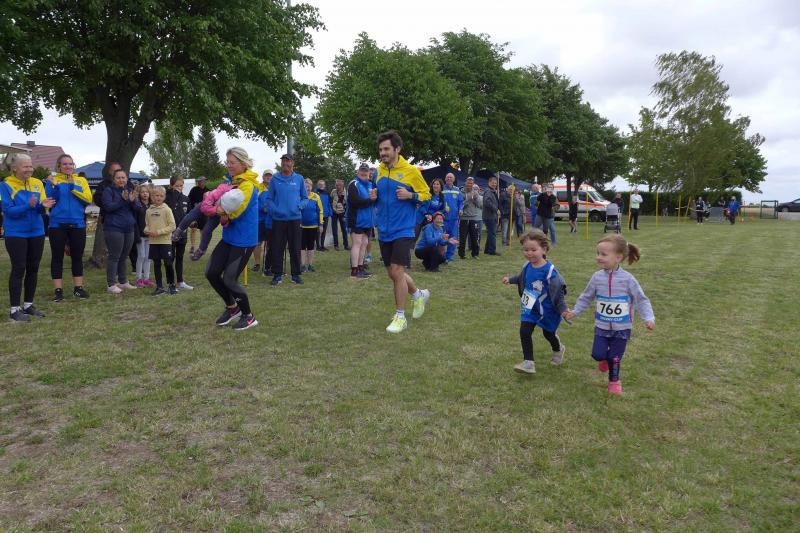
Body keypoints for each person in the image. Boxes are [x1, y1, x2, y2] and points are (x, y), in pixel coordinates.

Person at [563, 234, 656, 395]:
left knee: (615, 357)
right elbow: (586, 297)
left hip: (622, 327)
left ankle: (614, 381)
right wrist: (575, 311)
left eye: (603, 254)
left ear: (618, 257)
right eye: (598, 253)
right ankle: (603, 360)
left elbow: (641, 299)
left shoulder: (628, 279)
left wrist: (649, 318)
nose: (598, 257)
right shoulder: (596, 277)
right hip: (602, 326)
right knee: (597, 354)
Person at [374, 130, 431, 333]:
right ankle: (418, 294)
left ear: (397, 149)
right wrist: (374, 196)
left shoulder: (411, 171)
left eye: (386, 149)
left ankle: (400, 317)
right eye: (381, 149)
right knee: (393, 273)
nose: (383, 153)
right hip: (384, 229)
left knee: (397, 271)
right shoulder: (378, 171)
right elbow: (380, 196)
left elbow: (427, 195)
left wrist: (411, 195)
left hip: (404, 228)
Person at [205, 147, 260, 330]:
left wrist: (215, 208)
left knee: (229, 279)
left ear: (243, 164)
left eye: (232, 162)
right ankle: (232, 308)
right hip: (229, 237)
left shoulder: (248, 185)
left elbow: (235, 212)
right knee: (211, 272)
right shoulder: (231, 181)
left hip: (244, 239)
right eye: (227, 162)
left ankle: (248, 316)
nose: (228, 165)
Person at [502, 230, 568, 374]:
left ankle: (558, 349)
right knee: (524, 331)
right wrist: (511, 280)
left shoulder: (550, 272)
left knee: (548, 334)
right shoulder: (527, 266)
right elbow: (522, 278)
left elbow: (559, 291)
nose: (529, 253)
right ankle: (528, 363)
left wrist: (563, 309)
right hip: (530, 306)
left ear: (544, 249)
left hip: (547, 309)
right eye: (526, 250)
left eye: (533, 250)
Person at [0, 153, 54, 321]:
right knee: (19, 268)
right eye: (25, 166)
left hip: (37, 232)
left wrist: (42, 206)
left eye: (31, 166)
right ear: (14, 168)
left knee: (33, 268)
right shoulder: (5, 185)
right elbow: (8, 211)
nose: (29, 169)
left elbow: (40, 209)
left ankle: (28, 305)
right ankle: (14, 310)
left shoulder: (37, 183)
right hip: (16, 233)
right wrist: (28, 205)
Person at [45, 153, 92, 302]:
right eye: (64, 164)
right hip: (57, 224)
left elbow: (88, 199)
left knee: (77, 257)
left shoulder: (81, 180)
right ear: (59, 166)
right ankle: (58, 291)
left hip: (77, 223)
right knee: (57, 257)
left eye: (70, 164)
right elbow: (50, 200)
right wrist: (55, 186)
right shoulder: (52, 180)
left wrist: (73, 188)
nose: (68, 166)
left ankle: (78, 289)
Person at [265, 154, 307, 285]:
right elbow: (269, 199)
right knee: (277, 247)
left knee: (295, 247)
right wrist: (276, 210)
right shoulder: (275, 178)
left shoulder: (299, 178)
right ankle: (277, 275)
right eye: (283, 161)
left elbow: (305, 198)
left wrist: (299, 206)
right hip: (278, 219)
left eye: (288, 161)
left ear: (292, 163)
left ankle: (296, 275)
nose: (285, 164)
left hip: (295, 219)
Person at [101, 168, 137, 294]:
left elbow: (137, 208)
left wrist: (132, 201)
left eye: (123, 177)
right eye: (118, 178)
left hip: (129, 228)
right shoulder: (108, 191)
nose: (121, 180)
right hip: (114, 227)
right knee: (114, 256)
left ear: (127, 179)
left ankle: (123, 281)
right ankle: (111, 284)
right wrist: (122, 200)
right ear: (114, 179)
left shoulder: (130, 190)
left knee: (124, 256)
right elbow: (108, 207)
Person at [89, 161, 123, 268]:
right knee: (112, 250)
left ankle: (122, 274)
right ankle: (112, 273)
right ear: (109, 172)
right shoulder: (103, 185)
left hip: (125, 222)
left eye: (118, 170)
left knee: (124, 250)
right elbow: (98, 200)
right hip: (110, 221)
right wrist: (110, 204)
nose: (116, 173)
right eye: (114, 170)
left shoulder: (128, 185)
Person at [144, 186, 177, 296]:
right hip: (153, 242)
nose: (158, 198)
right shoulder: (148, 211)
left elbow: (172, 226)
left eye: (161, 196)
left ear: (164, 197)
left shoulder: (167, 210)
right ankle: (159, 287)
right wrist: (146, 230)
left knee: (168, 263)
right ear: (152, 197)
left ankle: (171, 285)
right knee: (156, 263)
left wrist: (158, 232)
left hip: (165, 241)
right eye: (156, 195)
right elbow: (147, 224)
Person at [346, 163, 377, 279]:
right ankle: (354, 270)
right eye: (362, 170)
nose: (364, 173)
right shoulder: (353, 184)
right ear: (358, 172)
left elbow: (375, 199)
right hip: (356, 219)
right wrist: (370, 200)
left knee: (364, 243)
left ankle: (360, 267)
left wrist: (374, 199)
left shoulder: (371, 185)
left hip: (368, 220)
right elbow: (354, 201)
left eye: (366, 171)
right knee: (357, 243)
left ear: (369, 173)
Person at [165, 176, 193, 290]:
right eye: (177, 186)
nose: (179, 188)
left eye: (181, 186)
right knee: (170, 258)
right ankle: (170, 283)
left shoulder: (186, 198)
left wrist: (192, 222)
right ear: (171, 186)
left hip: (182, 233)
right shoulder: (167, 197)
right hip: (170, 233)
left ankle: (180, 281)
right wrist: (174, 193)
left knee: (180, 257)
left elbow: (190, 214)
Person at [300, 178, 323, 272]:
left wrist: (320, 224)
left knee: (311, 246)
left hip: (313, 226)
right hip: (301, 226)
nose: (307, 188)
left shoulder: (316, 197)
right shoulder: (300, 197)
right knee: (302, 247)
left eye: (309, 186)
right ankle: (302, 265)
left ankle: (310, 265)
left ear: (312, 187)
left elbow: (320, 211)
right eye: (305, 186)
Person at [133, 184, 154, 288]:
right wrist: (136, 235)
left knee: (148, 257)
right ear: (139, 194)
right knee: (141, 256)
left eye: (146, 192)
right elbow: (135, 222)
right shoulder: (137, 205)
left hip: (150, 235)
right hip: (140, 235)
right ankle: (138, 279)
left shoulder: (151, 206)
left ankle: (146, 278)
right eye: (142, 192)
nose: (145, 194)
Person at [458, 176, 482, 259]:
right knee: (463, 237)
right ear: (465, 183)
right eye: (468, 183)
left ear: (473, 184)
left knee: (474, 237)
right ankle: (462, 254)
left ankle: (475, 254)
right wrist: (469, 198)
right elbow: (461, 205)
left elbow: (479, 205)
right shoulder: (461, 192)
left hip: (473, 218)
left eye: (471, 183)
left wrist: (475, 198)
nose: (469, 184)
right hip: (464, 218)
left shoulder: (475, 192)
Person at [442, 172, 463, 262]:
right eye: (447, 177)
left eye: (451, 177)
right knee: (443, 237)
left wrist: (461, 209)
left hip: (454, 219)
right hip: (443, 218)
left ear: (454, 179)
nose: (449, 179)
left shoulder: (457, 190)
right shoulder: (441, 189)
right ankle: (441, 256)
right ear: (445, 179)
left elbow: (461, 202)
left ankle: (449, 256)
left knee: (453, 237)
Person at [255, 171, 272, 274]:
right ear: (263, 177)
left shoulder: (274, 188)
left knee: (270, 243)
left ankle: (268, 263)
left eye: (270, 176)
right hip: (259, 220)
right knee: (258, 242)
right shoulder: (258, 187)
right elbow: (254, 201)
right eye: (266, 175)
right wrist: (263, 208)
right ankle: (257, 264)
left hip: (271, 220)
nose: (268, 177)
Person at [187, 176, 208, 253]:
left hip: (204, 213)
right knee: (193, 229)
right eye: (199, 181)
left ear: (204, 182)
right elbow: (189, 200)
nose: (201, 182)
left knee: (203, 231)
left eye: (202, 181)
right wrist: (192, 208)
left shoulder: (208, 190)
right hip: (194, 212)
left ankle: (201, 248)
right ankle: (192, 246)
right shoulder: (193, 190)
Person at [482, 176, 500, 255]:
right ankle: (492, 250)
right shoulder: (488, 191)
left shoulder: (492, 191)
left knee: (490, 233)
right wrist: (496, 209)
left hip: (491, 215)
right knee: (492, 233)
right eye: (493, 183)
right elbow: (487, 202)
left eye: (495, 183)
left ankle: (487, 250)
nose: (494, 184)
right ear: (489, 183)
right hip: (489, 215)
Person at [330, 179, 349, 251]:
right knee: (334, 229)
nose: (338, 187)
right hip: (334, 213)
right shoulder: (333, 191)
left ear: (343, 185)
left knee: (344, 229)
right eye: (337, 185)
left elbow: (348, 204)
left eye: (339, 185)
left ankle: (346, 245)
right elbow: (330, 200)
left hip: (342, 213)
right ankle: (336, 245)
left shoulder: (346, 193)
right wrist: (332, 208)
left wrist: (346, 214)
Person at [316, 179, 332, 251]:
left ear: (325, 185)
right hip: (318, 215)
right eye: (320, 184)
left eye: (323, 184)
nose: (321, 186)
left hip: (326, 215)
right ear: (317, 185)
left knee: (324, 231)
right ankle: (318, 246)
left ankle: (322, 245)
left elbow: (329, 203)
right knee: (318, 231)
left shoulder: (327, 193)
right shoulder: (315, 193)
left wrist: (330, 212)